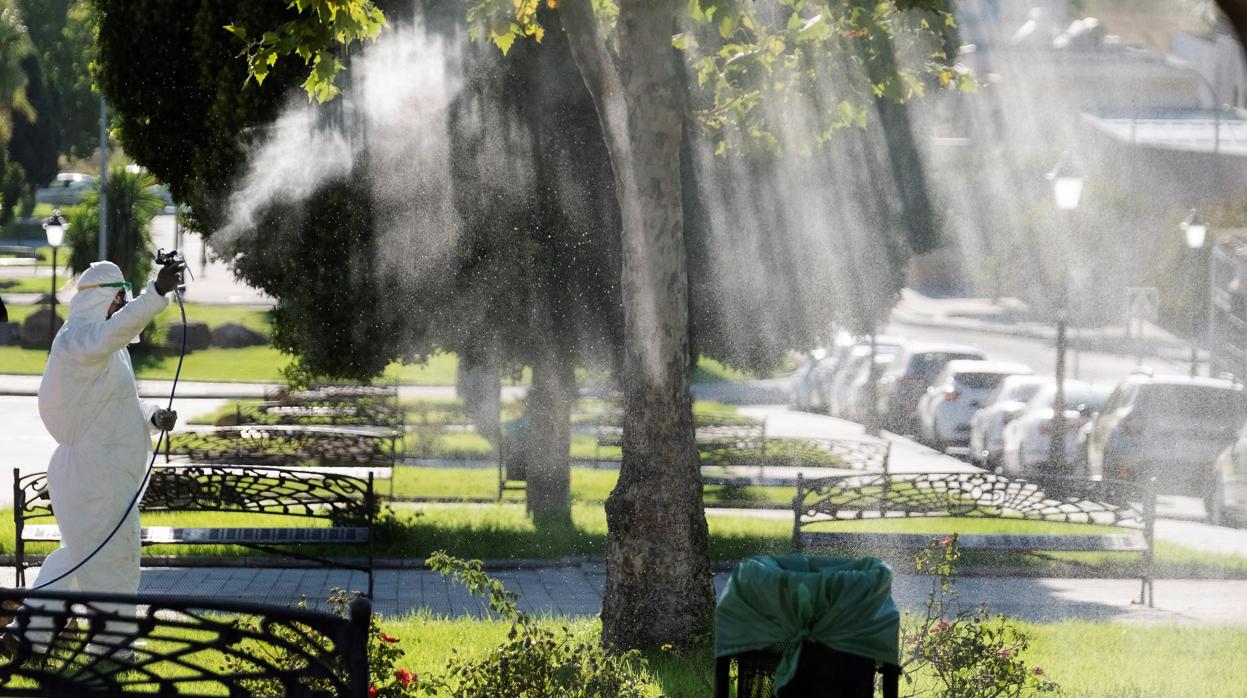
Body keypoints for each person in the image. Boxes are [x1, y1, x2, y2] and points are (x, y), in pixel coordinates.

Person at [2, 258, 185, 661]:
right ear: (102, 296)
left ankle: (28, 630)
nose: (120, 307)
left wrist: (153, 416)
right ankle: (112, 652)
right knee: (113, 562)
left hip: (100, 478)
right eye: (118, 298)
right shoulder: (81, 340)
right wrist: (155, 293)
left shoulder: (102, 348)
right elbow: (118, 330)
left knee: (81, 557)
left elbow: (117, 407)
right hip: (92, 478)